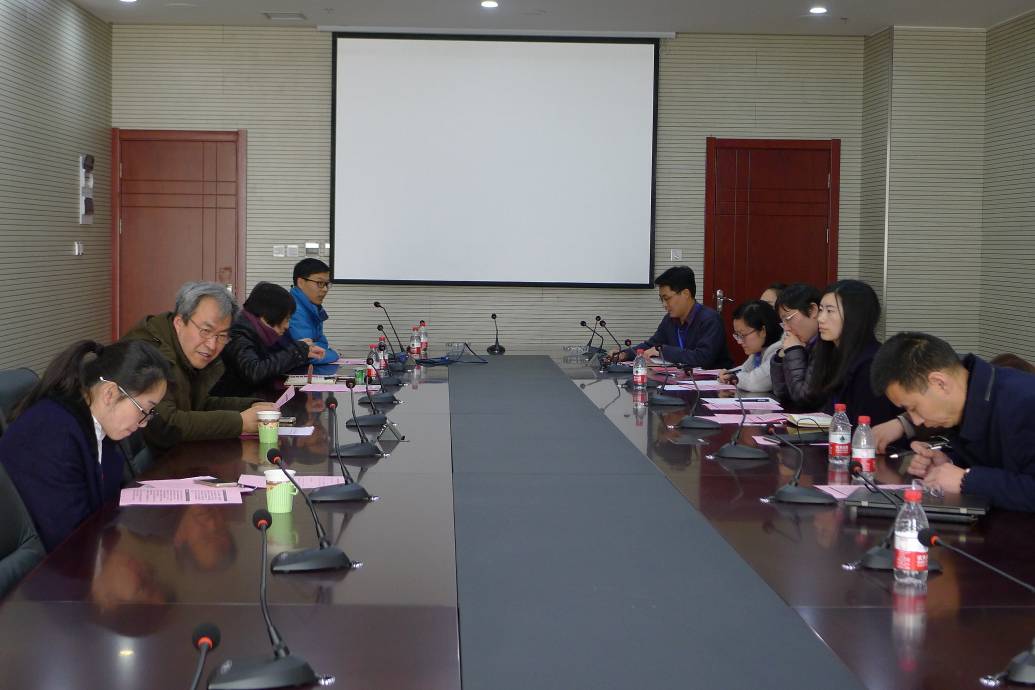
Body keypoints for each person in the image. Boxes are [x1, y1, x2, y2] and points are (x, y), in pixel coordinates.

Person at [0, 340, 170, 551]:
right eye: (143, 410)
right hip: (52, 564)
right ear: (110, 393)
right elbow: (70, 539)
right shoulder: (53, 434)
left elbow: (106, 503)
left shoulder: (97, 425)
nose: (144, 423)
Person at [872, 332, 1035, 512]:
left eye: (913, 408)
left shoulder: (1025, 402)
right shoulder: (972, 399)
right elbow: (1001, 464)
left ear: (939, 383)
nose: (916, 421)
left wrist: (967, 480)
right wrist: (949, 462)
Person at [120, 281, 276, 451]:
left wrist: (250, 406)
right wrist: (240, 422)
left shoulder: (183, 349)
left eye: (222, 336)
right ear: (179, 323)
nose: (212, 345)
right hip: (145, 463)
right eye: (205, 331)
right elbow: (165, 425)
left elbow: (197, 404)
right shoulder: (149, 354)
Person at [805, 279, 898, 426]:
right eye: (821, 310)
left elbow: (868, 426)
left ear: (855, 316)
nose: (821, 319)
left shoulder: (871, 364)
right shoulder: (833, 354)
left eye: (830, 311)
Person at [213, 282, 326, 398]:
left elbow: (272, 361)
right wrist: (296, 350)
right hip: (234, 403)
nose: (287, 326)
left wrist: (300, 351)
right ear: (269, 315)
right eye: (286, 319)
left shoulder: (258, 331)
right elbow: (254, 372)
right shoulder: (239, 334)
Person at [614, 266, 731, 368]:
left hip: (710, 383)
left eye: (667, 298)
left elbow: (703, 358)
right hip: (679, 380)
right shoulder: (669, 320)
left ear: (685, 294)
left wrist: (663, 351)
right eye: (661, 299)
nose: (664, 305)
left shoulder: (710, 319)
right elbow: (652, 345)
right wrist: (625, 354)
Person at [770, 283, 821, 406]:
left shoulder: (825, 346)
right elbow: (782, 393)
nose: (786, 328)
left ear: (812, 310)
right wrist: (780, 358)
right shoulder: (806, 343)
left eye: (788, 319)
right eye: (783, 322)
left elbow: (803, 398)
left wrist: (794, 350)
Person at [718, 300, 781, 392]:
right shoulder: (759, 350)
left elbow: (755, 383)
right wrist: (728, 374)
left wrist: (732, 378)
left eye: (743, 335)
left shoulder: (779, 350)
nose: (739, 341)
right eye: (737, 335)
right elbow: (745, 369)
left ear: (762, 331)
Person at [289, 258, 339, 365]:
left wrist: (323, 350)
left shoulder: (313, 308)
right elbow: (309, 355)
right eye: (320, 283)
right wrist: (334, 354)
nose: (325, 289)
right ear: (301, 282)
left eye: (327, 284)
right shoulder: (293, 309)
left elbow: (322, 344)